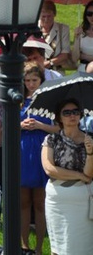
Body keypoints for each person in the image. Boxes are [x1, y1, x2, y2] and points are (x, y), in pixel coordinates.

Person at [41, 98, 93, 254]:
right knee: (58, 245)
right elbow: (49, 169)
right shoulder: (51, 139)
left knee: (82, 246)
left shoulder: (89, 139)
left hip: (82, 200)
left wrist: (90, 152)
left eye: (76, 112)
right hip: (57, 200)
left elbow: (89, 175)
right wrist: (78, 175)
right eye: (67, 112)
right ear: (59, 117)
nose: (72, 116)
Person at [17, 64, 55, 255]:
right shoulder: (17, 101)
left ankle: (40, 248)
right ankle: (24, 246)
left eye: (34, 80)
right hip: (23, 153)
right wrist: (21, 125)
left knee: (40, 203)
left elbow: (58, 128)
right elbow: (6, 127)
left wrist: (40, 124)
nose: (31, 84)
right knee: (23, 203)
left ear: (41, 81)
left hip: (42, 152)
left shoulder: (48, 101)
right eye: (27, 80)